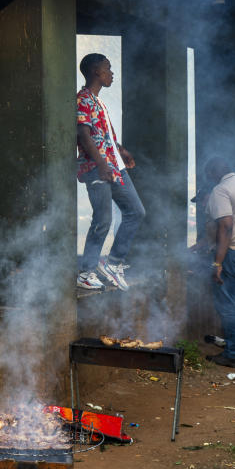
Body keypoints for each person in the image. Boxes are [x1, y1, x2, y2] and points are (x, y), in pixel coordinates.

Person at [76, 53, 145, 291]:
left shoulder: (99, 102)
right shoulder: (82, 99)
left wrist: (122, 151)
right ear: (96, 72)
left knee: (136, 211)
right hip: (97, 168)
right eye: (108, 68)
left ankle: (113, 264)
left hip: (114, 167)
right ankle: (86, 272)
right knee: (102, 220)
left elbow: (106, 136)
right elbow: (83, 135)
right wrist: (102, 164)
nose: (112, 73)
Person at [202, 157, 235, 368]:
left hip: (234, 253)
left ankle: (234, 353)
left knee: (229, 305)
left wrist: (217, 263)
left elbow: (225, 226)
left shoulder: (221, 190)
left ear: (213, 174)